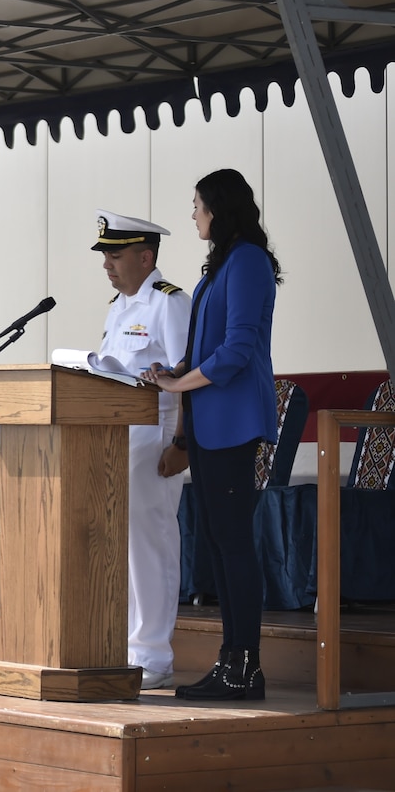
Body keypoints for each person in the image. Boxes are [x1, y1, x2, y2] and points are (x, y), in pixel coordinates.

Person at [147, 169, 280, 701]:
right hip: (207, 424)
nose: (193, 213)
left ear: (219, 208)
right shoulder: (221, 264)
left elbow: (238, 349)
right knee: (221, 546)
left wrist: (182, 380)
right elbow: (206, 347)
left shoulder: (247, 259)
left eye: (198, 204)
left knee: (233, 546)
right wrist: (171, 370)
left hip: (232, 423)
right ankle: (232, 662)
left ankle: (244, 665)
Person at [88, 210, 192, 691]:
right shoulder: (119, 306)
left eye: (115, 253)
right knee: (122, 547)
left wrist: (182, 442)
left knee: (150, 545)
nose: (107, 263)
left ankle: (153, 655)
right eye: (105, 255)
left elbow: (188, 378)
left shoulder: (169, 303)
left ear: (145, 256)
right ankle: (128, 647)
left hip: (155, 441)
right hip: (115, 441)